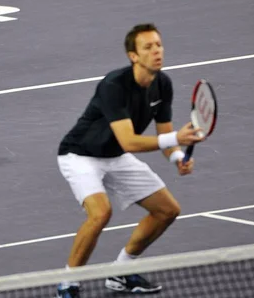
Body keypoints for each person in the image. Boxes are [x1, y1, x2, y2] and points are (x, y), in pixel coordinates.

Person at [56, 23, 203, 296]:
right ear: (133, 56)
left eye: (158, 44)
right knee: (100, 213)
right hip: (80, 155)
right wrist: (176, 140)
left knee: (167, 210)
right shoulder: (114, 85)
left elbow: (164, 134)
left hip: (115, 156)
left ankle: (120, 273)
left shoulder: (163, 84)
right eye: (148, 47)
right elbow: (130, 141)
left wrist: (178, 157)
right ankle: (68, 284)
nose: (156, 51)